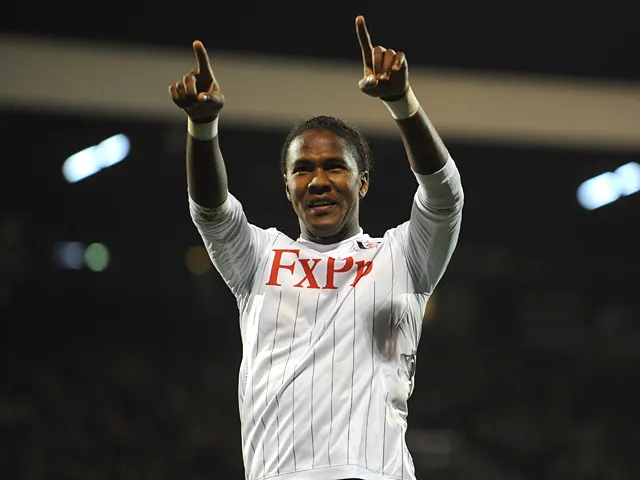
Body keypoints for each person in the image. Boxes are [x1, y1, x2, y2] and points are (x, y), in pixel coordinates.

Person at [169, 15, 463, 480]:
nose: (319, 181)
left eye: (334, 167)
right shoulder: (259, 257)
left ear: (362, 182)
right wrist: (202, 127)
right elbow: (211, 211)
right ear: (288, 187)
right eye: (303, 169)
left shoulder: (403, 256)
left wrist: (401, 102)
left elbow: (444, 197)